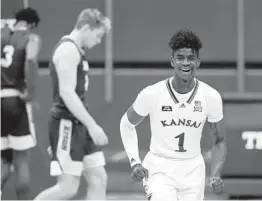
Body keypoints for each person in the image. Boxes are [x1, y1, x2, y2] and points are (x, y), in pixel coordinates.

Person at [120, 29, 227, 201]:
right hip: (159, 167)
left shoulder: (211, 96)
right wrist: (135, 161)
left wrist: (215, 174)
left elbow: (219, 141)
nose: (185, 63)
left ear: (198, 62)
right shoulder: (152, 94)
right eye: (180, 58)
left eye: (190, 58)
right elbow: (126, 124)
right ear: (172, 61)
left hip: (193, 169)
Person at [34, 8, 111, 200]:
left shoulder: (77, 50)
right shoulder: (67, 50)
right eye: (98, 35)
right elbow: (66, 93)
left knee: (98, 178)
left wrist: (88, 125)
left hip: (80, 124)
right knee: (67, 189)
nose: (98, 41)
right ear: (86, 28)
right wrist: (92, 125)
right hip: (66, 124)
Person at [1, 7, 41, 199]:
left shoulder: (1, 34)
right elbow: (31, 61)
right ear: (32, 24)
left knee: (3, 159)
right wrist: (30, 93)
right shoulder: (30, 38)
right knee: (22, 161)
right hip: (14, 100)